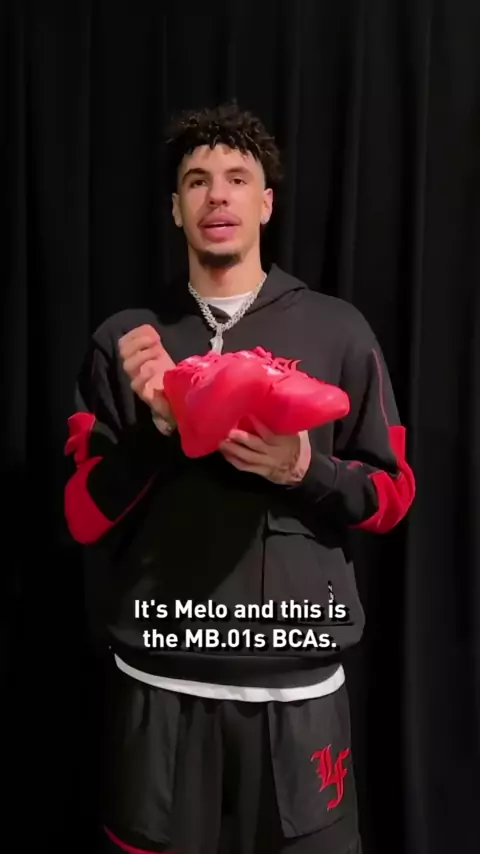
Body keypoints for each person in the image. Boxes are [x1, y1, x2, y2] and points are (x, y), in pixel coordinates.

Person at [64, 101, 415, 854]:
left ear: (266, 203)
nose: (216, 195)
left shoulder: (338, 330)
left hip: (300, 694)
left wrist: (304, 468)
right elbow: (82, 516)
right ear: (175, 208)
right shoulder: (128, 342)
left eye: (236, 178)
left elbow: (392, 497)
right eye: (197, 181)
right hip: (160, 688)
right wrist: (160, 432)